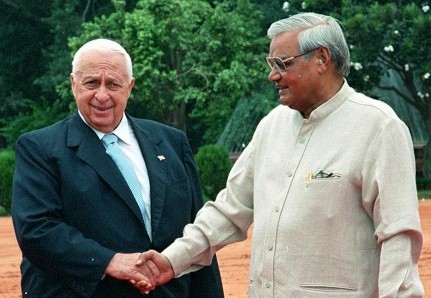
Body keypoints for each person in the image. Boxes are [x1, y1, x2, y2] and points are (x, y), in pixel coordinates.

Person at [135, 12, 425, 297]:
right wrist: (171, 260)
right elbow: (229, 210)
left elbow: (398, 236)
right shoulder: (271, 126)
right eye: (271, 63)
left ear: (322, 59)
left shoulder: (378, 126)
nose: (272, 75)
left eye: (282, 63)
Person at [12, 38, 224, 298]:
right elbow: (37, 230)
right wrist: (109, 261)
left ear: (130, 86)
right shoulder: (40, 148)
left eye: (113, 84)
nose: (102, 95)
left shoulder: (172, 142)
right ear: (73, 83)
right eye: (91, 83)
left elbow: (196, 232)